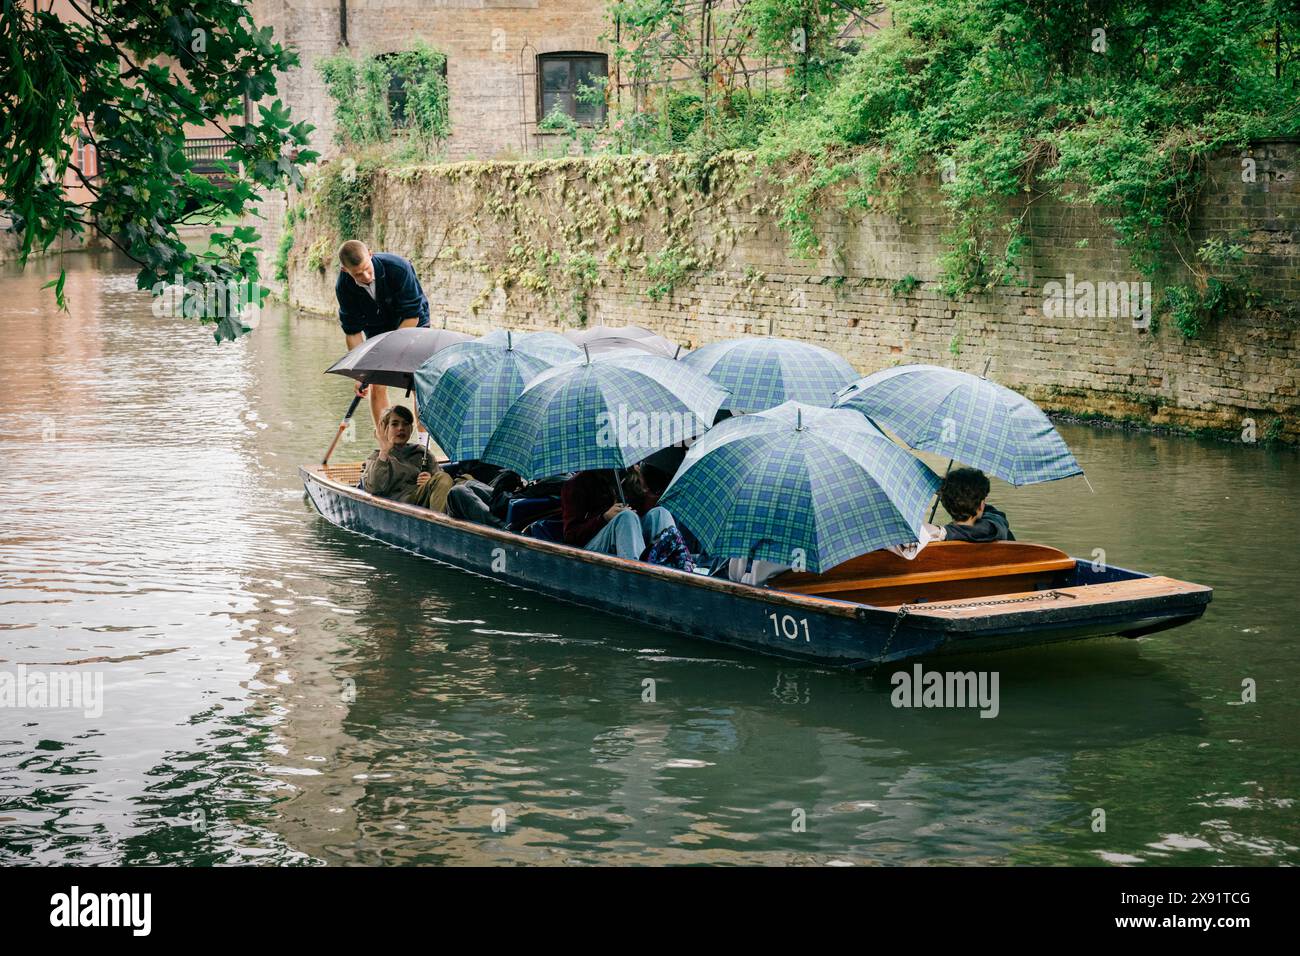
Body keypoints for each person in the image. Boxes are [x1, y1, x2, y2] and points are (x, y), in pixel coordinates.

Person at [335, 240, 431, 434]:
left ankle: (423, 447)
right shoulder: (344, 286)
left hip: (412, 323)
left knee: (418, 384)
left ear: (370, 254)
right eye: (358, 274)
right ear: (345, 270)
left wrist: (392, 354)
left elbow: (412, 315)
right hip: (376, 327)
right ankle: (386, 443)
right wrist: (360, 373)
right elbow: (352, 332)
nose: (366, 277)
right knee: (375, 382)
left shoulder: (398, 268)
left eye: (367, 269)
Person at [362, 406, 503, 527]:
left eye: (405, 424)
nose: (401, 428)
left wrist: (430, 479)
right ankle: (442, 526)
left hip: (429, 501)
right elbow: (374, 488)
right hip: (404, 505)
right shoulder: (378, 457)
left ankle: (502, 510)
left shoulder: (421, 453)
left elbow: (443, 480)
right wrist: (385, 450)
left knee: (464, 482)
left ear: (411, 428)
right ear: (384, 428)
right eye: (394, 424)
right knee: (442, 479)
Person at [561, 467, 684, 564]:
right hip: (589, 551)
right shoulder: (576, 484)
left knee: (660, 513)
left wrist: (642, 486)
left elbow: (643, 515)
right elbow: (571, 537)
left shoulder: (626, 476)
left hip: (628, 541)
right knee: (626, 517)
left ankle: (676, 563)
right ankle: (638, 575)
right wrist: (604, 518)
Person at [937, 467, 1015, 542]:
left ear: (946, 505)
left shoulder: (936, 539)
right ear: (981, 505)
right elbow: (994, 517)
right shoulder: (996, 528)